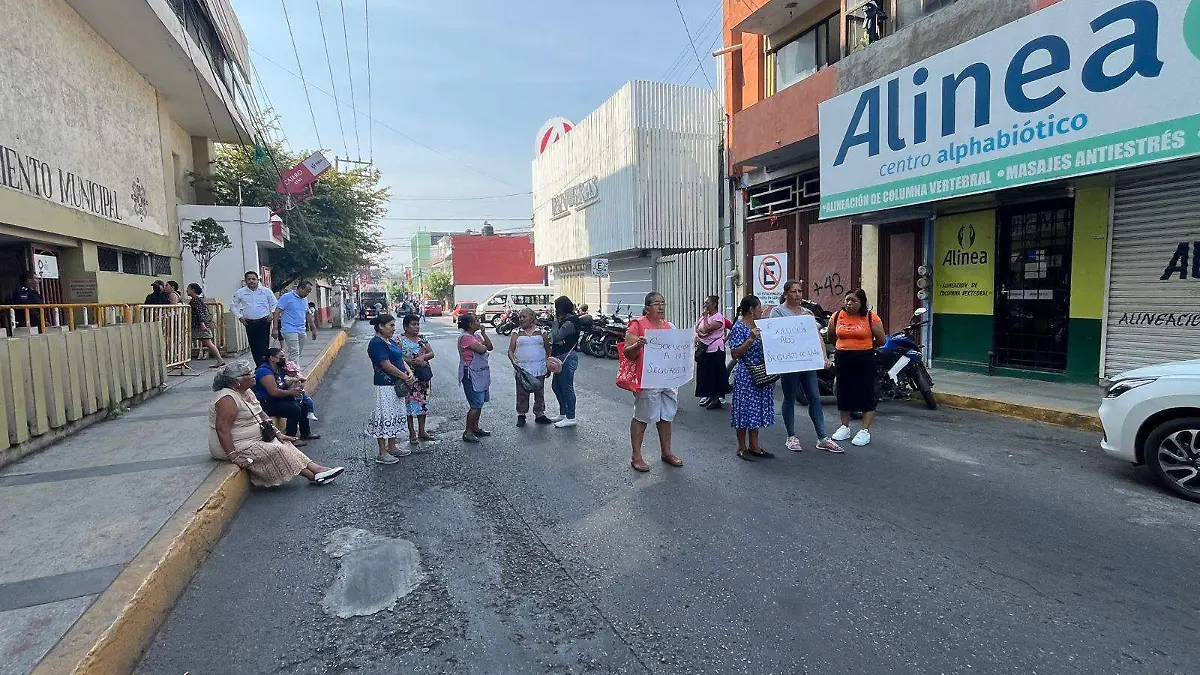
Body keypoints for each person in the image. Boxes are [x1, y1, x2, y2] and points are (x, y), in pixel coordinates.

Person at [209, 361, 343, 487]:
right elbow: (222, 429)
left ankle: (318, 470)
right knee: (277, 450)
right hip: (234, 445)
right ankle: (314, 476)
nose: (253, 375)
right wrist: (234, 456)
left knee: (284, 443)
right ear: (235, 381)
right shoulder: (227, 399)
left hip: (253, 439)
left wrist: (277, 433)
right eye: (249, 374)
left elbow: (261, 414)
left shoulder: (248, 392)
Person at [769, 281, 842, 454]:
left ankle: (823, 437)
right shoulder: (777, 312)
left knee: (814, 398)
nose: (798, 294)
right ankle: (791, 436)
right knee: (789, 398)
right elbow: (774, 336)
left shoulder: (807, 313)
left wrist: (824, 357)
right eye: (793, 291)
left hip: (807, 363)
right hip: (790, 363)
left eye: (800, 291)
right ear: (786, 293)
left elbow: (816, 336)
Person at [623, 292, 684, 473]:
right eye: (657, 303)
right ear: (647, 308)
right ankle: (636, 456)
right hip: (648, 378)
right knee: (642, 416)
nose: (661, 307)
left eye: (663, 303)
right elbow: (627, 353)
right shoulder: (638, 325)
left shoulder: (669, 327)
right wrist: (638, 345)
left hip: (667, 378)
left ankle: (666, 451)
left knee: (667, 415)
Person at [828, 289, 886, 447]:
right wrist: (843, 346)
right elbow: (831, 336)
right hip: (843, 358)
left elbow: (881, 339)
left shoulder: (870, 318)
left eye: (853, 301)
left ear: (861, 303)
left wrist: (864, 347)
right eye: (847, 300)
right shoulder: (837, 316)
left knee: (866, 392)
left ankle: (864, 430)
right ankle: (844, 427)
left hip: (865, 358)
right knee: (844, 392)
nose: (849, 303)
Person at [729, 295, 776, 461]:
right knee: (744, 411)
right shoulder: (739, 328)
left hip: (761, 372)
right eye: (759, 308)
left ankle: (754, 446)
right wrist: (750, 339)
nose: (761, 311)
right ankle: (742, 447)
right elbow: (735, 353)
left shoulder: (761, 325)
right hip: (746, 374)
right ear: (751, 310)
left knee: (756, 410)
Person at [367, 314, 418, 463]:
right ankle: (382, 453)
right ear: (381, 326)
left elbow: (399, 359)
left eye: (394, 326)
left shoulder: (390, 341)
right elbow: (386, 365)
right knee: (384, 417)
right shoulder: (376, 343)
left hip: (396, 385)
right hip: (385, 385)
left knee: (394, 415)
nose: (393, 329)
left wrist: (409, 372)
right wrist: (404, 376)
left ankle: (392, 446)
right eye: (391, 326)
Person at [254, 348, 320, 443]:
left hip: (279, 398)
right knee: (294, 409)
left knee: (303, 404)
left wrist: (296, 385)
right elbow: (274, 392)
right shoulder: (264, 372)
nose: (283, 359)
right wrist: (291, 393)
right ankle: (290, 437)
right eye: (281, 357)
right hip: (268, 402)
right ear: (272, 358)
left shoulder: (278, 370)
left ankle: (305, 433)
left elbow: (283, 384)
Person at [508, 308, 553, 427]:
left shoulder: (541, 331)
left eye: (524, 317)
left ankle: (539, 414)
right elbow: (511, 350)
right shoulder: (516, 332)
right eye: (520, 317)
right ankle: (521, 415)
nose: (521, 319)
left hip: (539, 367)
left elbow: (548, 349)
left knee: (539, 392)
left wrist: (548, 365)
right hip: (522, 369)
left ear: (532, 318)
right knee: (522, 393)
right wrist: (514, 362)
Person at [398, 313, 438, 445]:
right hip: (408, 376)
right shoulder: (399, 340)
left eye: (418, 324)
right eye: (413, 324)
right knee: (408, 405)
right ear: (405, 327)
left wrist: (422, 358)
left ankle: (422, 430)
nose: (416, 327)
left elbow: (431, 353)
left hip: (423, 376)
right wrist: (411, 361)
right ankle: (412, 433)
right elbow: (397, 357)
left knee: (423, 404)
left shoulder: (422, 338)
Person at [458, 313, 493, 443]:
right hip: (471, 373)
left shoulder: (476, 336)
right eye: (476, 320)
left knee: (480, 403)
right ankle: (467, 431)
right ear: (471, 324)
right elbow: (482, 349)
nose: (479, 322)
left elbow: (489, 347)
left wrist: (484, 333)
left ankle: (475, 428)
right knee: (475, 403)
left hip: (481, 372)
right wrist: (483, 345)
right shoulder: (465, 338)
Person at [231, 271, 277, 367]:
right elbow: (233, 306)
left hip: (264, 321)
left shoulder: (266, 291)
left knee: (264, 346)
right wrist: (240, 317)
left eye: (253, 279)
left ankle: (265, 366)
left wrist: (271, 313)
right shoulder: (240, 292)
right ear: (245, 281)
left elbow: (275, 304)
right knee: (254, 346)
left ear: (257, 280)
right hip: (249, 323)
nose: (251, 281)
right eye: (249, 279)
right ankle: (259, 366)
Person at [548, 296, 581, 428]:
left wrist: (555, 322)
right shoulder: (566, 320)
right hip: (559, 356)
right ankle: (563, 413)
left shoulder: (569, 322)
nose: (555, 310)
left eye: (556, 307)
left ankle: (571, 416)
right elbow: (554, 338)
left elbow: (555, 336)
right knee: (556, 386)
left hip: (567, 357)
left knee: (567, 387)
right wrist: (556, 339)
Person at [694, 295, 730, 410]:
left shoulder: (718, 318)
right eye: (704, 303)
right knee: (706, 374)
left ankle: (716, 398)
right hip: (705, 348)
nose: (705, 305)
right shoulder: (705, 316)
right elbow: (697, 329)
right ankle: (709, 396)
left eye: (707, 303)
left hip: (715, 350)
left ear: (714, 304)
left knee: (715, 374)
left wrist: (704, 318)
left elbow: (706, 329)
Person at [273, 281, 317, 362]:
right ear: (300, 288)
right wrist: (275, 328)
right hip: (289, 329)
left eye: (309, 291)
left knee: (297, 353)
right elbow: (277, 312)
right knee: (294, 352)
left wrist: (313, 328)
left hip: (301, 330)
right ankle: (295, 372)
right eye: (307, 291)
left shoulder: (304, 299)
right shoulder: (286, 297)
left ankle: (290, 368)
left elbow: (307, 314)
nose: (308, 293)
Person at [187, 283, 226, 369]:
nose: (187, 291)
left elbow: (199, 312)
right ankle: (219, 360)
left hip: (198, 326)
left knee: (207, 342)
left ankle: (220, 360)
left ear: (193, 290)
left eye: (188, 289)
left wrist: (202, 323)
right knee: (207, 342)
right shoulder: (198, 300)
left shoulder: (195, 300)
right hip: (199, 325)